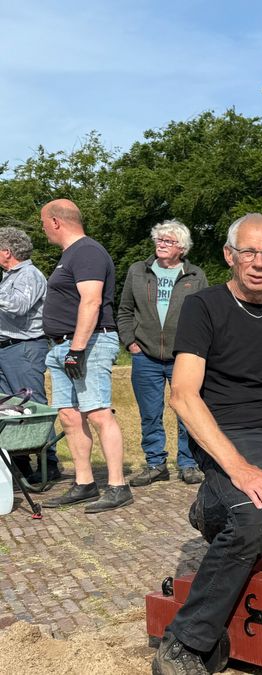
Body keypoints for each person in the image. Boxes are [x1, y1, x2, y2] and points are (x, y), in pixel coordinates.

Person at [152, 213, 262, 673]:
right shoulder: (203, 306)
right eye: (248, 252)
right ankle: (183, 644)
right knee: (252, 523)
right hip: (228, 436)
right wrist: (238, 468)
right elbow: (184, 395)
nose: (258, 263)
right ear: (230, 256)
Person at [39, 199, 131, 513]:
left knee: (98, 413)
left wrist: (77, 350)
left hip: (87, 344)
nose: (43, 230)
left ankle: (118, 485)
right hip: (63, 346)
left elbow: (91, 302)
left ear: (54, 221)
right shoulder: (70, 255)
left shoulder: (88, 251)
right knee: (69, 416)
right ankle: (84, 482)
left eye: (43, 223)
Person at [118, 220, 209, 487]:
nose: (161, 244)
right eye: (159, 239)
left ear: (181, 247)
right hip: (144, 355)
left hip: (184, 357)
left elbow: (205, 316)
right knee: (150, 413)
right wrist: (130, 343)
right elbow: (124, 310)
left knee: (188, 412)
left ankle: (189, 463)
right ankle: (155, 463)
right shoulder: (138, 271)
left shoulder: (196, 276)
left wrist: (198, 350)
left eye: (168, 241)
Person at [0, 226, 58, 481]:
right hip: (6, 348)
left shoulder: (29, 274)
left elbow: (18, 306)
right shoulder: (9, 276)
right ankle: (19, 461)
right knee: (10, 408)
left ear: (7, 252)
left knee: (33, 407)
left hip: (24, 348)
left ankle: (49, 463)